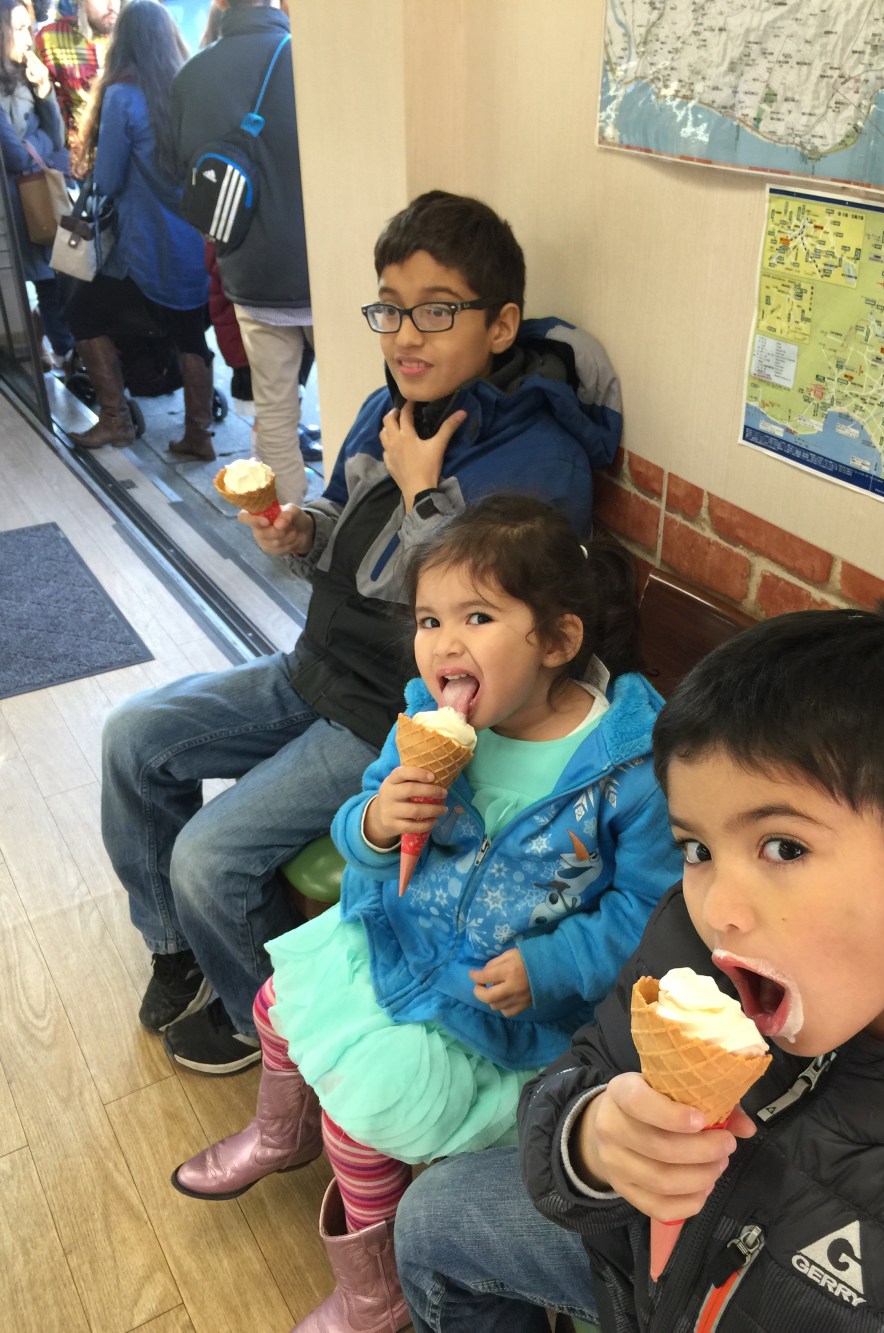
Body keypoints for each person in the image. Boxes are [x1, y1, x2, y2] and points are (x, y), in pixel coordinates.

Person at [101, 188, 623, 1076]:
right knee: (133, 736)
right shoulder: (393, 410)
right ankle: (178, 946)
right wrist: (301, 533)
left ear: (500, 325)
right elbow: (343, 524)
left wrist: (424, 493)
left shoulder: (542, 457)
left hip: (397, 710)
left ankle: (271, 1024)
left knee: (208, 857)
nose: (406, 336)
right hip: (318, 665)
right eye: (390, 309)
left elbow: (474, 616)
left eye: (436, 310)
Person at [393, 605, 884, 1332]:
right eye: (698, 849)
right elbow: (584, 1069)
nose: (720, 909)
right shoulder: (690, 941)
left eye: (783, 847)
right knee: (434, 1218)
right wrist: (591, 1140)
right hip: (637, 1273)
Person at [170, 494, 681, 1332]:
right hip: (405, 936)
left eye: (476, 617)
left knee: (363, 1115)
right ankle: (283, 1132)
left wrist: (553, 965)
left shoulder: (628, 767)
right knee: (273, 1004)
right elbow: (362, 822)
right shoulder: (427, 716)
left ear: (557, 641)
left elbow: (648, 910)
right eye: (428, 619)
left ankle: (378, 1290)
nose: (443, 643)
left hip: (501, 1002)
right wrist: (378, 822)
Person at [169, 0, 310, 505]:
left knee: (275, 414)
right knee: (361, 404)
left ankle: (289, 526)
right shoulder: (307, 56)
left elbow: (183, 173)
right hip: (327, 269)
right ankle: (354, 524)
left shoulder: (193, 75)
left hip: (251, 273)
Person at [62, 1, 212, 453]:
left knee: (81, 313)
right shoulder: (191, 87)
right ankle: (199, 434)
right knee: (191, 335)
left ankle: (116, 420)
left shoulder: (123, 96)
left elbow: (107, 180)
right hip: (195, 247)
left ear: (123, 43)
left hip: (144, 247)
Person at [0, 0, 73, 369]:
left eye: (27, 28)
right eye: (18, 29)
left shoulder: (28, 73)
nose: (28, 38)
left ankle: (62, 350)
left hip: (39, 194)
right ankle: (64, 352)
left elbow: (57, 138)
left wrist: (45, 90)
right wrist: (38, 141)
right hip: (15, 203)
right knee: (44, 280)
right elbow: (14, 156)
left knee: (55, 278)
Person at [34, 0, 120, 158]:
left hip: (128, 151)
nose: (112, 5)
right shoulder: (49, 40)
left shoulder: (134, 35)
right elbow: (42, 111)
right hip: (75, 155)